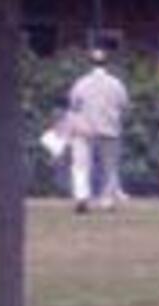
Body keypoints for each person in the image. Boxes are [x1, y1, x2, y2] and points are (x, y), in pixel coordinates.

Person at [64, 47, 129, 212]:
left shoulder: (81, 82)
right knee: (109, 166)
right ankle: (107, 201)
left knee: (80, 165)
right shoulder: (116, 83)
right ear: (107, 63)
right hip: (110, 128)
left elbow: (73, 105)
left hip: (84, 129)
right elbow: (123, 105)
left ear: (89, 63)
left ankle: (82, 197)